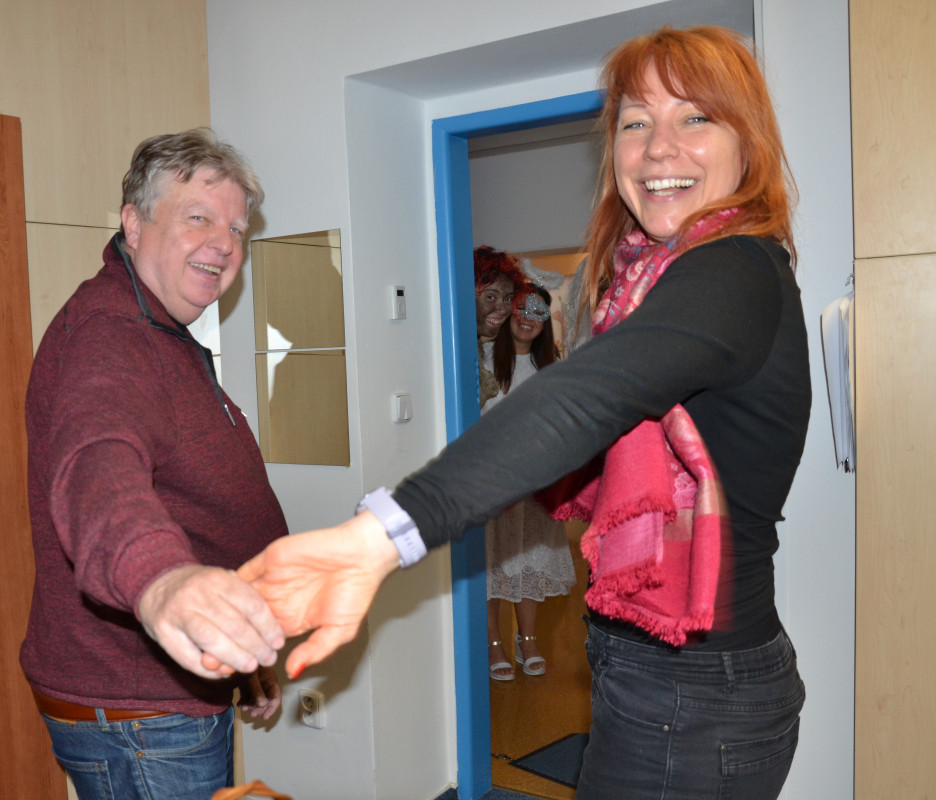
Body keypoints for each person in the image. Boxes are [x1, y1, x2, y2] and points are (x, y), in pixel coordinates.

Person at [240, 25, 809, 800]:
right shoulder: (656, 282)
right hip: (666, 677)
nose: (658, 147)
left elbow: (588, 396)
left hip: (693, 695)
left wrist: (378, 537)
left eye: (695, 117)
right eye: (636, 122)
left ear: (749, 142)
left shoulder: (735, 269)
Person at [21, 127, 287, 800]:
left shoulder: (160, 330)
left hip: (171, 687)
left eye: (236, 229)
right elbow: (98, 467)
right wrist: (163, 582)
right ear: (134, 224)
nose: (224, 243)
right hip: (140, 711)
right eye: (198, 218)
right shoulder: (112, 337)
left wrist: (233, 652)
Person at [482, 282, 576, 681]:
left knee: (528, 559)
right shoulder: (483, 358)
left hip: (536, 483)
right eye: (520, 309)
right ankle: (493, 643)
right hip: (490, 481)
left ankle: (528, 639)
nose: (526, 319)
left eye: (538, 313)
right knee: (491, 561)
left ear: (546, 322)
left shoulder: (550, 366)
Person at [472, 245, 519, 408]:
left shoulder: (472, 345)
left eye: (508, 299)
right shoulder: (446, 347)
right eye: (491, 297)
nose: (502, 309)